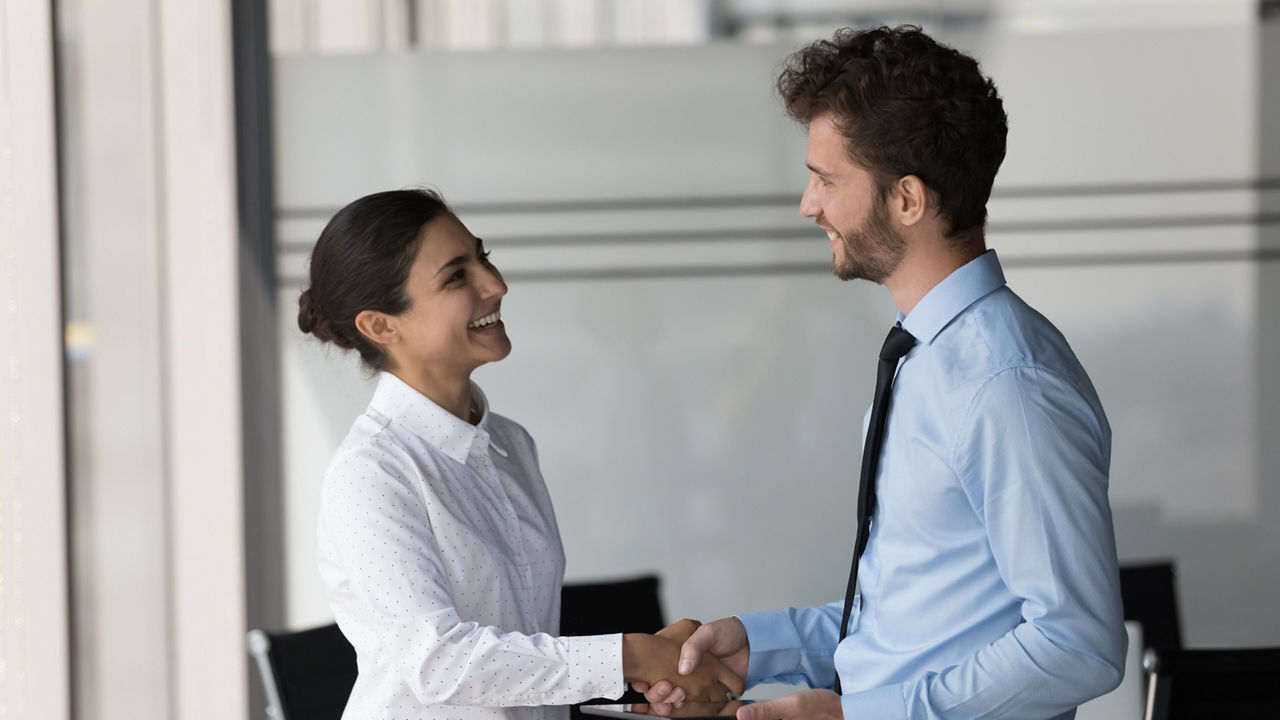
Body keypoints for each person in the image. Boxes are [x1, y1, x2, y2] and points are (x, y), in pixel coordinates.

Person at [639, 26, 1127, 720]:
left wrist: (856, 716)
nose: (809, 205)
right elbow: (917, 619)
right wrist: (760, 646)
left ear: (906, 199)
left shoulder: (1005, 383)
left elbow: (1076, 643)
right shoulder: (926, 358)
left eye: (827, 180)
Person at [299, 188, 743, 720]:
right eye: (456, 276)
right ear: (381, 325)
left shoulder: (509, 444)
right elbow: (438, 663)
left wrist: (655, 662)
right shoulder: (371, 474)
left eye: (482, 256)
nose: (496, 284)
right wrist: (631, 655)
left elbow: (524, 646)